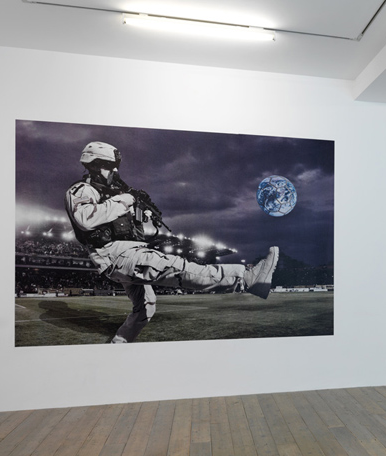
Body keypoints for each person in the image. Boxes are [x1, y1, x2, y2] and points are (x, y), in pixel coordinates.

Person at [65, 141, 279, 344]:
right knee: (181, 268)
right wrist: (127, 199)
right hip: (115, 254)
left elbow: (121, 226)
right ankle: (247, 277)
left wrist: (139, 214)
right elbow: (85, 219)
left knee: (146, 307)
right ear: (94, 165)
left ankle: (118, 345)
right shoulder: (82, 189)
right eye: (109, 166)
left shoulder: (110, 193)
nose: (114, 171)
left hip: (128, 252)